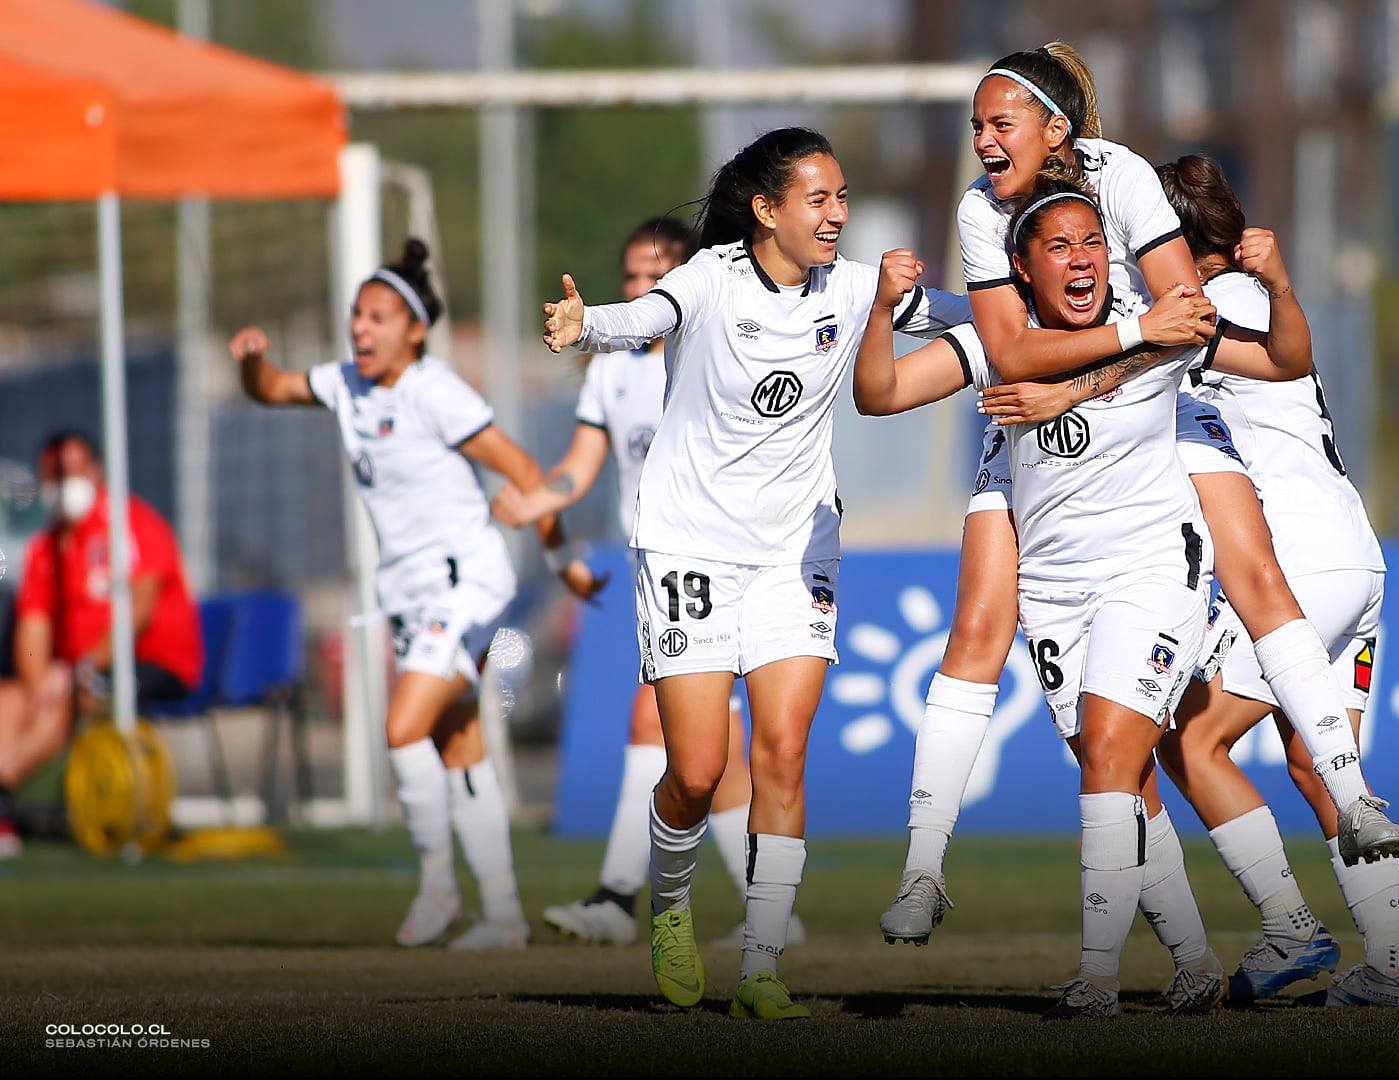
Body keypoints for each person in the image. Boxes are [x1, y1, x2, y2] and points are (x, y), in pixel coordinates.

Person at [882, 41, 1399, 952]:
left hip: (1155, 421)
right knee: (1019, 671)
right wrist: (896, 306)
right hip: (1049, 453)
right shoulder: (980, 216)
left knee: (1243, 594)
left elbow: (1191, 323)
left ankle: (1345, 813)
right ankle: (926, 870)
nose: (980, 144)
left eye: (997, 124)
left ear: (1057, 131)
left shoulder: (1122, 177)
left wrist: (1080, 381)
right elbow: (992, 350)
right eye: (974, 127)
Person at [857, 183, 1321, 1018]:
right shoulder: (997, 344)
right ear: (1020, 274)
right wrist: (882, 311)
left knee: (1110, 753)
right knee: (1119, 776)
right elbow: (881, 392)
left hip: (1150, 574)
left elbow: (1284, 360)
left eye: (1092, 243)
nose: (1083, 260)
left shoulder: (1158, 328)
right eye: (1060, 248)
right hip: (1057, 593)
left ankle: (1096, 976)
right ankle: (1192, 958)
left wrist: (1281, 290)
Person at [540, 128, 967, 1019]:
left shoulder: (854, 290)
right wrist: (589, 325)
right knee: (695, 771)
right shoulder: (713, 276)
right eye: (820, 199)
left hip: (795, 552)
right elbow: (646, 317)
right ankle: (668, 907)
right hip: (689, 546)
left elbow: (969, 319)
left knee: (781, 748)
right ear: (767, 210)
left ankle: (764, 966)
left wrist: (1048, 309)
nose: (838, 215)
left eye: (844, 197)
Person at [229, 239, 565, 950]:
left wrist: (554, 543)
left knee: (402, 724)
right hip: (410, 594)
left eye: (379, 316)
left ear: (414, 330)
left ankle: (438, 884)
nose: (362, 328)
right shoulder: (345, 383)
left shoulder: (433, 390)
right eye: (357, 314)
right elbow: (272, 388)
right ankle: (503, 913)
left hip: (465, 579)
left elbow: (523, 466)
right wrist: (252, 362)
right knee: (457, 740)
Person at [1150, 155, 1399, 1007]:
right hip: (1354, 556)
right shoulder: (1240, 295)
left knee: (1189, 743)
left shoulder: (1219, 304)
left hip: (1297, 562)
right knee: (1318, 764)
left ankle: (1288, 926)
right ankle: (1393, 966)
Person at [492, 217, 794, 950]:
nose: (639, 291)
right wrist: (543, 500)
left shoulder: (721, 349)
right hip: (651, 569)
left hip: (718, 566)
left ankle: (620, 896)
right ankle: (771, 912)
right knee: (706, 760)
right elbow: (578, 467)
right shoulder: (612, 369)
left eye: (653, 277)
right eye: (629, 279)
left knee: (654, 724)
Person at [0, 431, 204, 858]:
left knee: (71, 695)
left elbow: (139, 611)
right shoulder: (43, 548)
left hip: (151, 664)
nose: (62, 484)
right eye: (53, 475)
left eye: (70, 472)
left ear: (95, 471)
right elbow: (32, 629)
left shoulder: (131, 524)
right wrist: (40, 681)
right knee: (13, 697)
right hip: (75, 672)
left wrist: (80, 668)